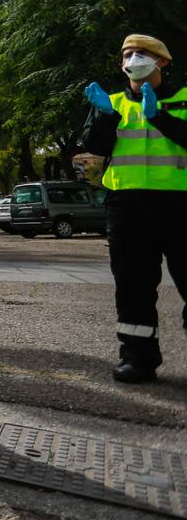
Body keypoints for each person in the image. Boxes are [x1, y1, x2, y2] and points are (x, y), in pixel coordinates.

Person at [82, 33, 187, 383]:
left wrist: (161, 117)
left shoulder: (184, 98)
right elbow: (93, 146)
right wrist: (104, 116)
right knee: (132, 288)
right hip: (126, 207)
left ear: (163, 62)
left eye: (142, 53)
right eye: (127, 54)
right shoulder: (110, 102)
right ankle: (137, 359)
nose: (133, 59)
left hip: (180, 205)